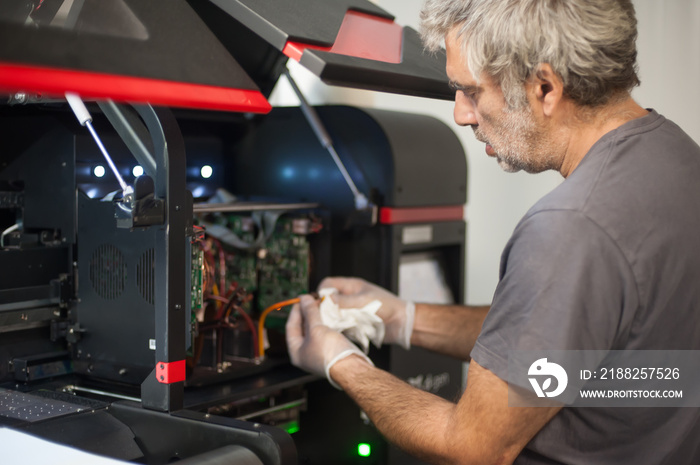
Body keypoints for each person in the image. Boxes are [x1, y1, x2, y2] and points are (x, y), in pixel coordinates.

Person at [286, 0, 700, 463]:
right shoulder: (679, 159)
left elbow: (473, 447)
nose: (462, 114)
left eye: (471, 91)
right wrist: (399, 317)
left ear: (545, 87)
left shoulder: (570, 227)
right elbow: (558, 341)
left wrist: (342, 364)